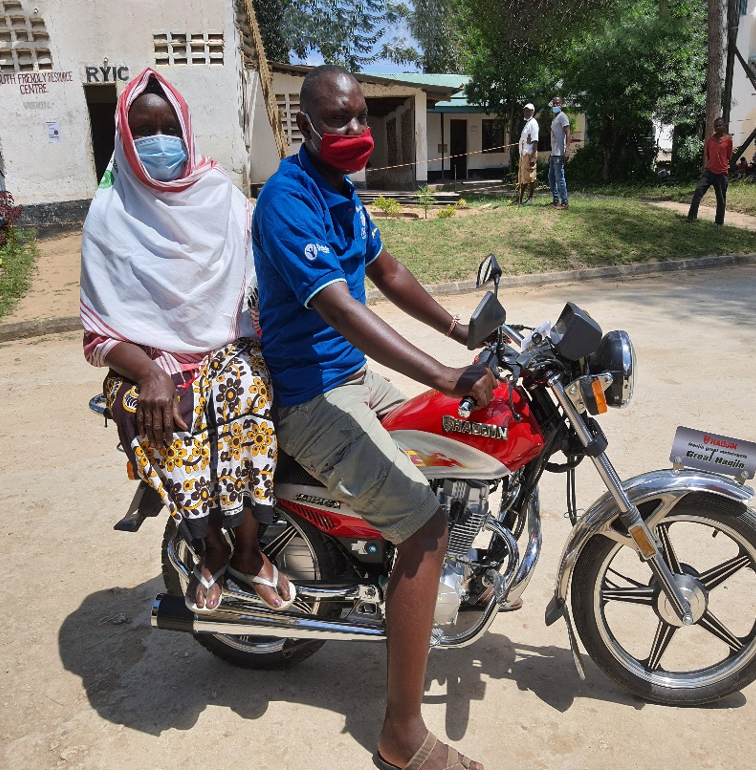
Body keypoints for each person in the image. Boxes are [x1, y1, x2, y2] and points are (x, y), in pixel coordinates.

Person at [252, 65, 493, 770]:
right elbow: (342, 310)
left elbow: (386, 271)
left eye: (361, 116)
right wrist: (446, 374)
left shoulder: (341, 192)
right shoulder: (288, 200)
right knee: (425, 525)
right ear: (305, 127)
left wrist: (461, 328)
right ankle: (401, 733)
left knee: (464, 437)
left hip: (353, 381)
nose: (356, 131)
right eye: (339, 120)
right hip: (313, 400)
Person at [80, 68, 293, 615]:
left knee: (244, 393)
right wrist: (149, 370)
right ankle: (210, 544)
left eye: (167, 127)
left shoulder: (220, 194)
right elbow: (99, 333)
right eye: (143, 128)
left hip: (228, 345)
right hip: (150, 360)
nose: (158, 141)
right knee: (161, 413)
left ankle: (246, 551)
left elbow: (256, 278)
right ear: (124, 136)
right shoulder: (108, 213)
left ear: (187, 130)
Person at [686, 116, 733, 228]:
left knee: (721, 199)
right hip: (709, 171)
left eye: (720, 125)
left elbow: (729, 155)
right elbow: (708, 155)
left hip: (721, 173)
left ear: (724, 126)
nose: (717, 128)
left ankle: (719, 222)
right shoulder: (710, 140)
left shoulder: (728, 140)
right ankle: (691, 217)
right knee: (698, 192)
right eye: (716, 126)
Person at [548, 96, 570, 209]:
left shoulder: (562, 117)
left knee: (560, 178)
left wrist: (567, 150)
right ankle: (556, 199)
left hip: (559, 153)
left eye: (557, 103)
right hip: (554, 153)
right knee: (551, 177)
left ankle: (565, 202)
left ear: (561, 104)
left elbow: (568, 134)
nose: (555, 106)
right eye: (554, 104)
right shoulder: (555, 118)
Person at [517, 102, 539, 205]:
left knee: (530, 176)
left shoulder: (533, 123)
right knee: (523, 177)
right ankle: (520, 199)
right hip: (523, 153)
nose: (526, 112)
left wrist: (533, 157)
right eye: (525, 110)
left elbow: (535, 141)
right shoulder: (526, 123)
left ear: (532, 112)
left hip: (529, 154)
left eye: (529, 110)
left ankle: (530, 198)